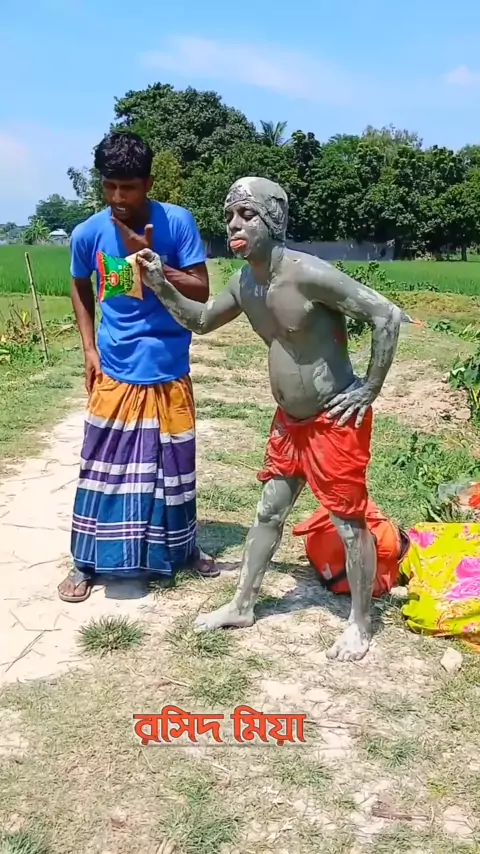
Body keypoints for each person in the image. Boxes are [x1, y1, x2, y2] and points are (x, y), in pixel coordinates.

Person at [133, 176, 404, 661]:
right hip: (289, 422)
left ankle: (361, 623)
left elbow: (385, 315)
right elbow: (201, 320)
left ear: (274, 220)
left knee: (348, 522)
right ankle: (242, 604)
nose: (234, 225)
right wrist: (160, 284)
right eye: (229, 216)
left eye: (247, 214)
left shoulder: (308, 274)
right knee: (268, 512)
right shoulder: (245, 283)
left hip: (333, 419)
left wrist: (369, 388)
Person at [58, 131, 217, 603]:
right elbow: (79, 286)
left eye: (128, 187)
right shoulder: (88, 233)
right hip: (115, 368)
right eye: (109, 186)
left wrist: (154, 266)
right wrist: (89, 349)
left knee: (174, 472)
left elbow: (202, 289)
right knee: (101, 468)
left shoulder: (177, 222)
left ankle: (183, 549)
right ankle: (85, 561)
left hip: (169, 368)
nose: (117, 197)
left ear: (147, 183)